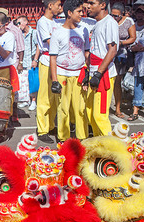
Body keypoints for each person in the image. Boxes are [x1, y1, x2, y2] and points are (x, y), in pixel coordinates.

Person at [50, 0, 90, 142]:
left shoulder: (83, 30)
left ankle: (82, 138)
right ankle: (63, 138)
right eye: (79, 11)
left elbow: (87, 53)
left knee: (80, 109)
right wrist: (54, 81)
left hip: (79, 75)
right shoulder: (57, 33)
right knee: (63, 109)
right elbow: (53, 58)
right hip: (62, 75)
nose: (82, 14)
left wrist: (87, 73)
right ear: (69, 13)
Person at [86, 0, 119, 137]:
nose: (88, 6)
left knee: (99, 114)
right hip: (94, 72)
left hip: (103, 74)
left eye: (92, 3)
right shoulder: (96, 24)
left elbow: (112, 50)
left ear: (102, 5)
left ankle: (112, 147)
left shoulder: (109, 22)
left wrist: (98, 74)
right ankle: (100, 143)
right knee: (90, 112)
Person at [35, 0, 62, 143]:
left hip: (56, 61)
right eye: (58, 4)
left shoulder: (56, 22)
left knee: (54, 97)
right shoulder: (43, 22)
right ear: (50, 5)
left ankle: (51, 125)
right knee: (44, 96)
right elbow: (50, 42)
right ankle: (42, 129)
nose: (60, 7)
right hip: (46, 60)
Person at [111, 2, 136, 119]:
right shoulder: (109, 21)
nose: (114, 18)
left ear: (122, 14)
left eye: (117, 16)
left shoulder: (129, 22)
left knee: (117, 81)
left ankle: (117, 108)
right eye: (112, 15)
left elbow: (133, 38)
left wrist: (121, 42)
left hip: (121, 54)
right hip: (108, 52)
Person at [16, 15, 38, 110]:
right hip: (23, 61)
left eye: (19, 23)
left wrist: (35, 60)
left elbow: (38, 47)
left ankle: (34, 101)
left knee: (32, 81)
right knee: (24, 82)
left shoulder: (34, 33)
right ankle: (26, 100)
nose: (18, 25)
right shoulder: (19, 33)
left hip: (31, 60)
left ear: (25, 23)